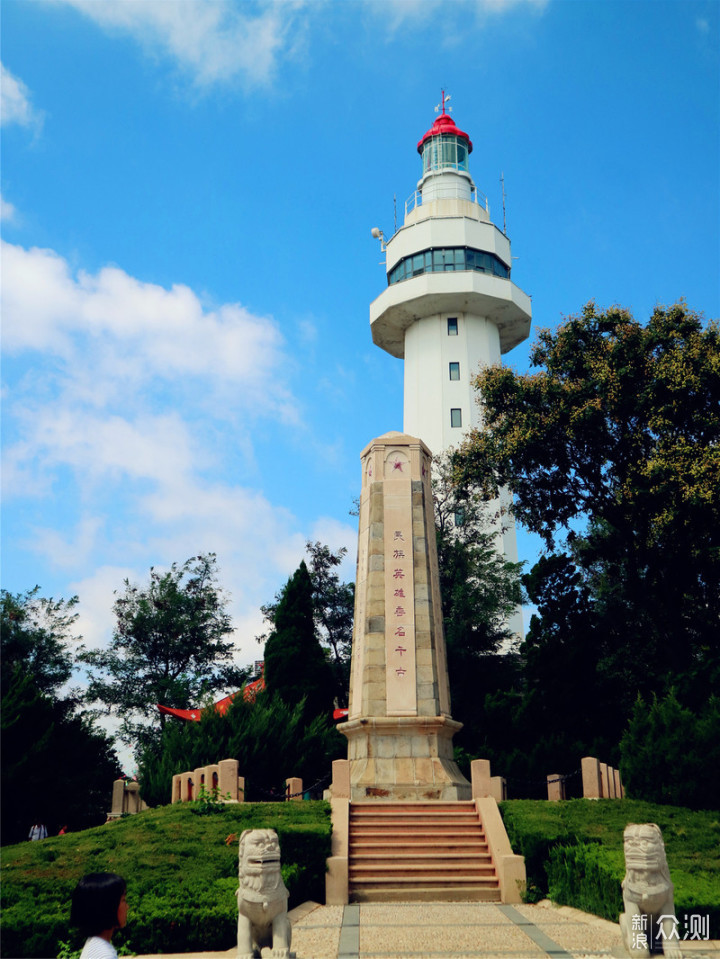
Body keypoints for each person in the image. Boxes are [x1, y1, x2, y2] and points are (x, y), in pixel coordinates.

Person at [70, 872, 128, 959]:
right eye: (123, 900)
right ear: (108, 907)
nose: (127, 907)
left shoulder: (95, 945)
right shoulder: (104, 954)